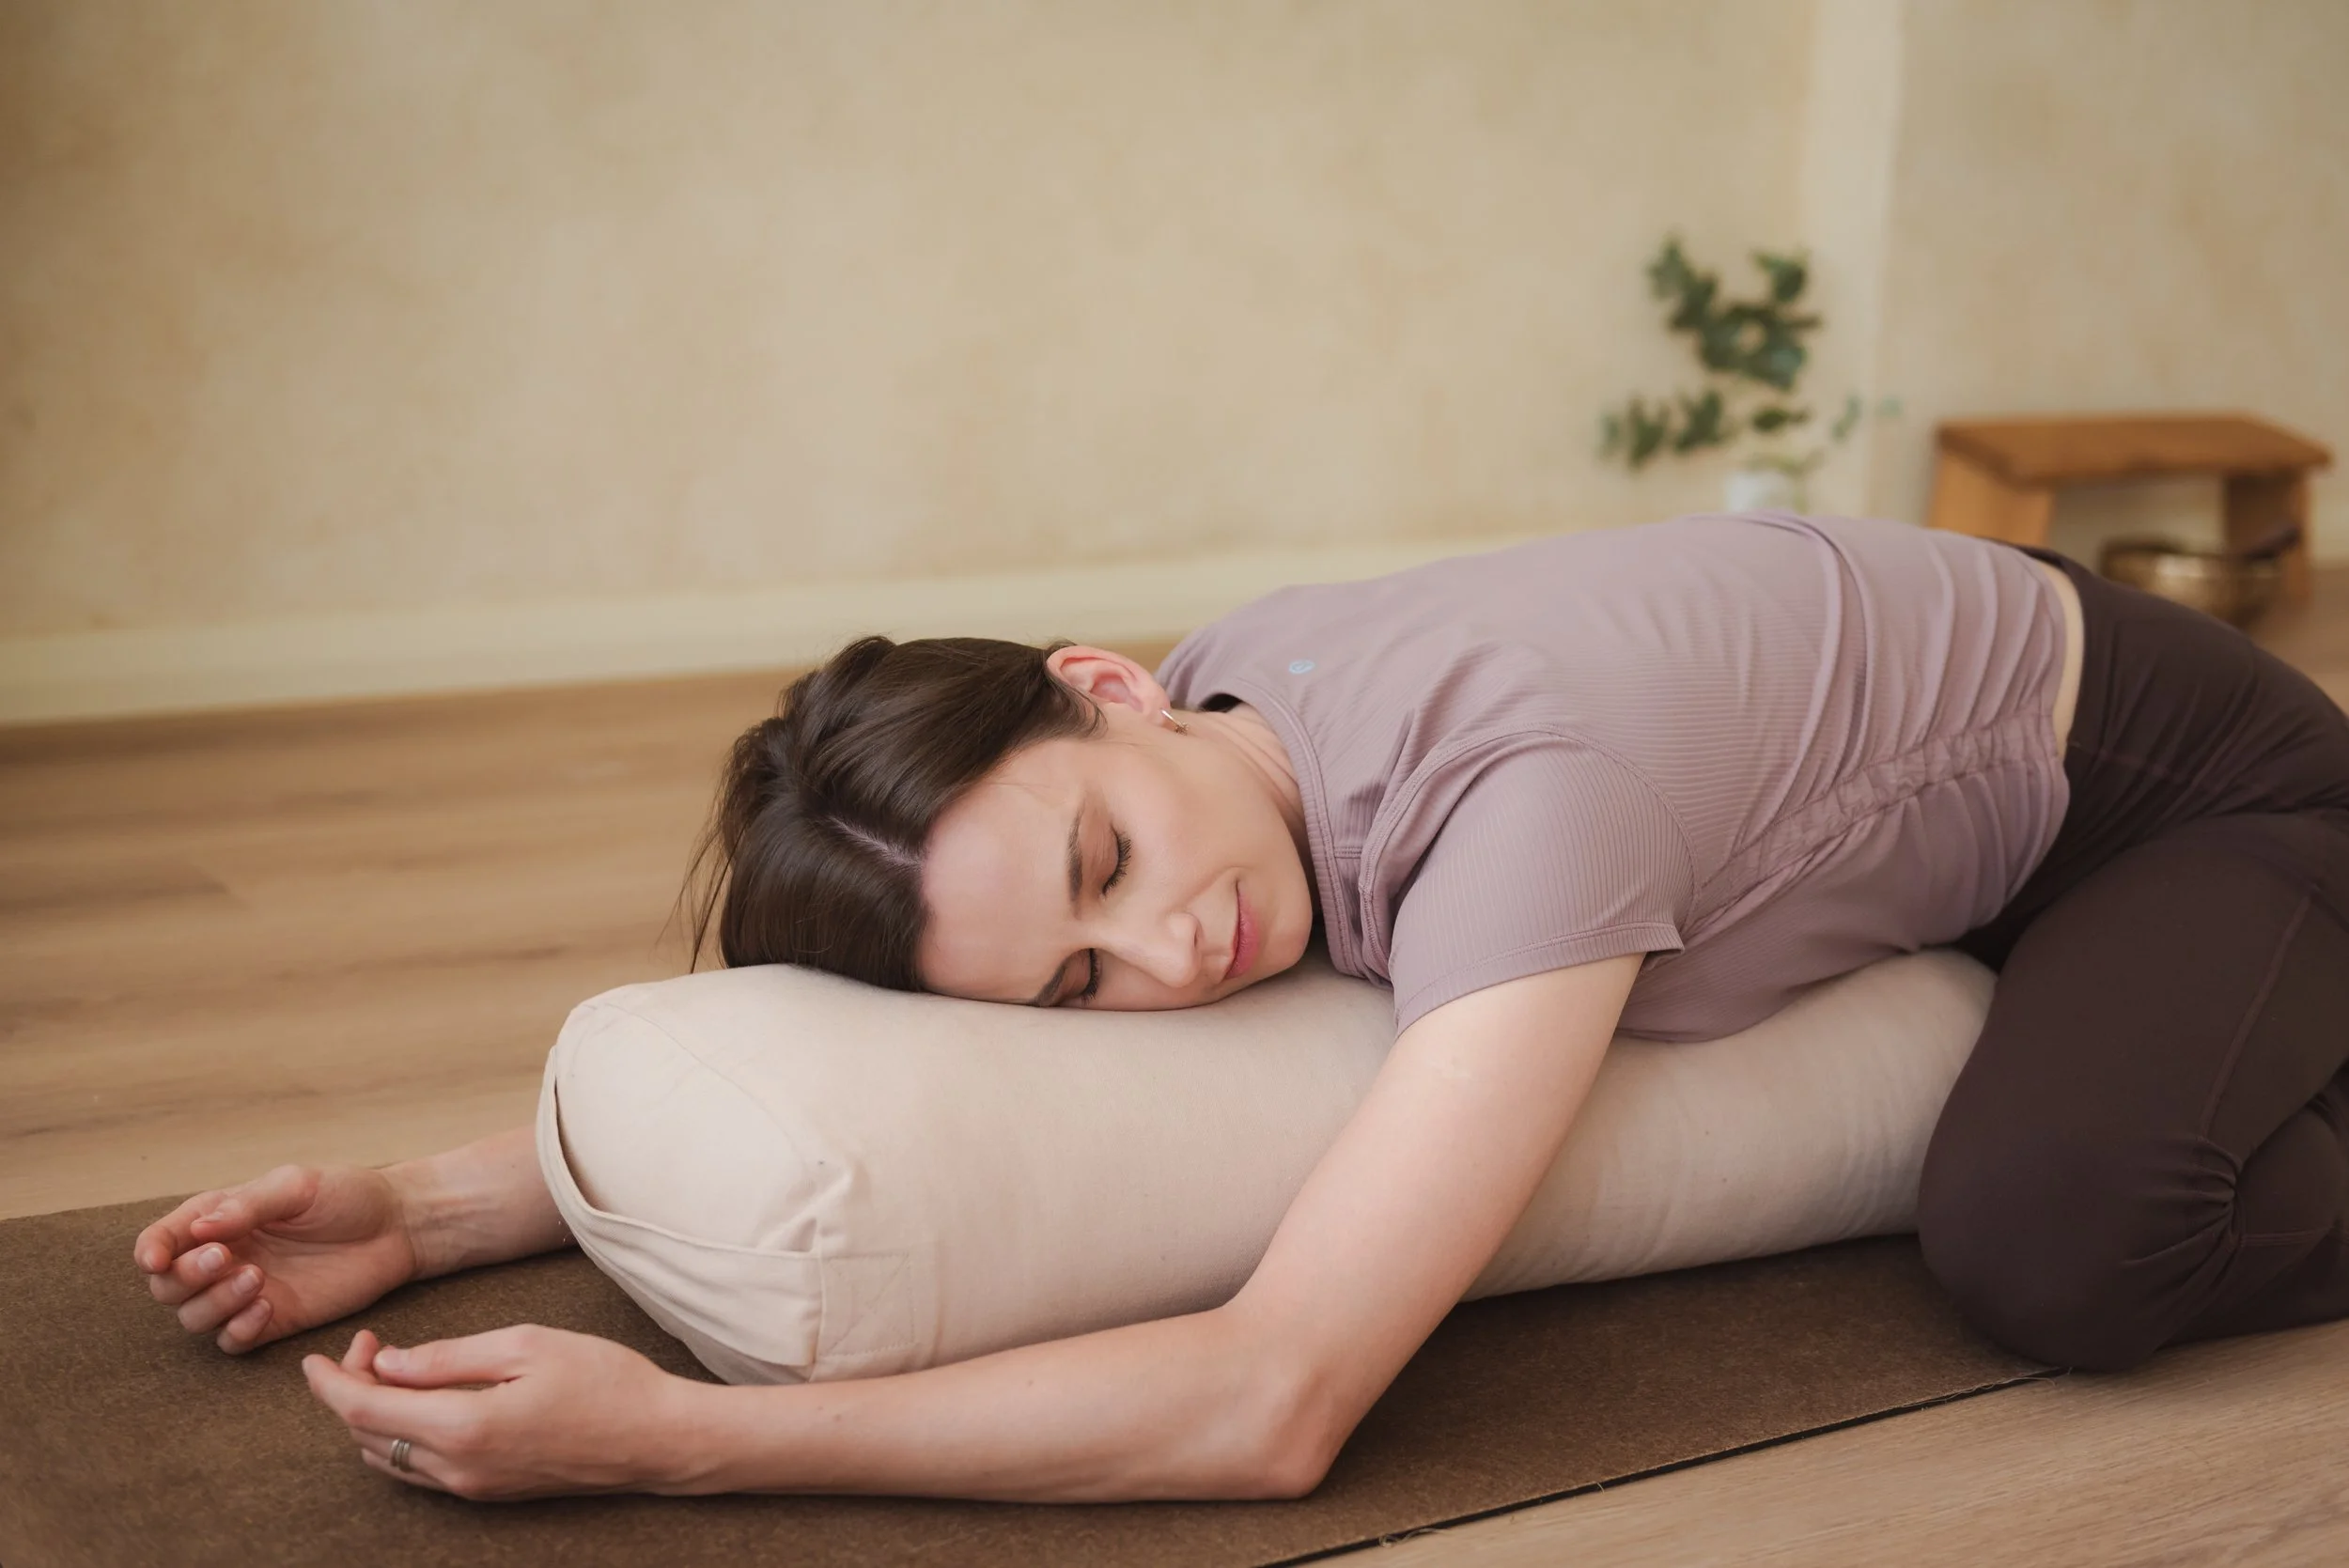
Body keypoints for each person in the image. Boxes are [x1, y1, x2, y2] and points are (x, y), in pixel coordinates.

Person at [132, 511, 2349, 1503]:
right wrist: (455, 1206)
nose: (1169, 956)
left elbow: (1271, 1404)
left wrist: (677, 1446)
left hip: (2186, 795)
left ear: (1112, 684)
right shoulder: (1221, 732)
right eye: (1073, 980)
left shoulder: (1519, 798)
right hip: (1924, 715)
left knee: (2053, 1241)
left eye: (1105, 864)